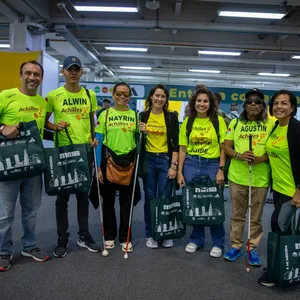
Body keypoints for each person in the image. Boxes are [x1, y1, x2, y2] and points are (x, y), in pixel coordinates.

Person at [45, 56, 100, 258]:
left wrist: (94, 139)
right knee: (62, 198)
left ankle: (84, 235)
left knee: (83, 196)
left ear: (81, 72)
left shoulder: (89, 94)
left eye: (77, 69)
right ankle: (62, 239)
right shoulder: (53, 95)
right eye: (70, 69)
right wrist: (55, 126)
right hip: (63, 151)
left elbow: (92, 121)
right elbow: (44, 123)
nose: (73, 72)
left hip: (85, 151)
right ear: (63, 72)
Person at [0, 60, 49, 271]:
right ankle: (3, 250)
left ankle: (29, 246)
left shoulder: (42, 102)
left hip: (33, 167)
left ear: (41, 79)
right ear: (21, 75)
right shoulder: (6, 95)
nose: (32, 78)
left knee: (31, 210)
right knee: (5, 213)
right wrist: (2, 127)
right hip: (8, 166)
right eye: (28, 73)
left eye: (36, 75)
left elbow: (41, 132)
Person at [223, 88, 274, 266]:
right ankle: (236, 245)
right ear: (245, 105)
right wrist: (239, 155)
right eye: (250, 101)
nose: (253, 104)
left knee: (256, 216)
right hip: (238, 177)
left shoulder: (271, 124)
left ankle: (252, 248)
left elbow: (275, 149)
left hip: (260, 178)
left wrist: (261, 158)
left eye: (258, 101)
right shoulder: (236, 123)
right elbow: (227, 147)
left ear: (263, 106)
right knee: (237, 215)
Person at [177, 87, 227, 257]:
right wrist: (180, 172)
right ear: (194, 102)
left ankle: (218, 243)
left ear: (210, 103)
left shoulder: (218, 120)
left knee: (214, 203)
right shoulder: (188, 122)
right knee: (194, 203)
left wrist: (221, 170)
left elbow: (222, 147)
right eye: (199, 101)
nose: (202, 104)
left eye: (205, 101)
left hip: (212, 164)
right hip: (191, 163)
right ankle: (196, 239)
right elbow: (182, 149)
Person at [258, 89, 300, 287]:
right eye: (276, 103)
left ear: (292, 108)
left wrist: (299, 191)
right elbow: (273, 153)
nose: (279, 107)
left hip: (293, 190)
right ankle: (284, 268)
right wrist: (258, 158)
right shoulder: (275, 126)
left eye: (284, 103)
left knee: (278, 226)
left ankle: (280, 271)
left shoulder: (296, 129)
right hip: (279, 188)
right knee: (285, 229)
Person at [95, 82, 139, 253]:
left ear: (130, 96)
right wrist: (98, 167)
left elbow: (138, 141)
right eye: (119, 93)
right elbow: (98, 142)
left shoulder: (135, 115)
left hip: (129, 164)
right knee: (108, 202)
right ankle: (110, 235)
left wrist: (144, 131)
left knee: (127, 203)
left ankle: (125, 237)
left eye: (126, 94)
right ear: (113, 94)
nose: (122, 97)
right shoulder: (104, 115)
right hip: (109, 163)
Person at [139, 84, 179, 248]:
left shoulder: (171, 117)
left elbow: (176, 144)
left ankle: (165, 232)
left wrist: (174, 165)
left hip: (165, 160)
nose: (159, 99)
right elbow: (138, 141)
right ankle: (151, 234)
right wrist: (141, 132)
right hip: (148, 159)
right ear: (151, 97)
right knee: (150, 199)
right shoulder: (143, 115)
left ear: (166, 99)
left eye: (163, 96)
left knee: (165, 197)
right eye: (157, 95)